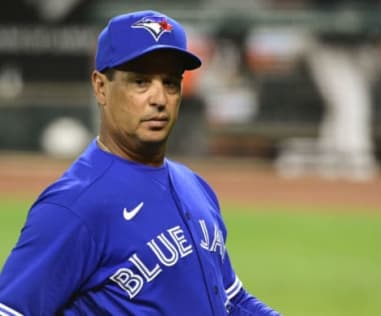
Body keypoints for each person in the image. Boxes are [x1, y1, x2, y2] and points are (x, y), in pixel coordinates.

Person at [0, 10, 281, 316]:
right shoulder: (74, 207)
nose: (159, 98)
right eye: (141, 81)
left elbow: (232, 299)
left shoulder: (195, 186)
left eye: (171, 82)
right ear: (101, 87)